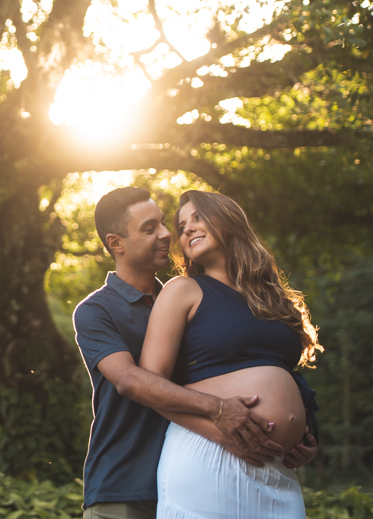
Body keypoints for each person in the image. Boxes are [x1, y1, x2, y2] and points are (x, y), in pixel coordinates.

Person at [73, 187, 314, 519]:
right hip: (128, 478)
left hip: (232, 460)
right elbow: (131, 381)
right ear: (116, 243)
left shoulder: (195, 297)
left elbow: (267, 366)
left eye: (164, 223)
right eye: (150, 228)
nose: (169, 234)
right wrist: (219, 414)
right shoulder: (98, 310)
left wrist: (303, 427)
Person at [140, 190, 321, 518]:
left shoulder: (274, 299)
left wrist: (306, 433)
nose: (188, 229)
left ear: (229, 220)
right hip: (210, 452)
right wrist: (221, 433)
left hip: (278, 468)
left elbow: (287, 378)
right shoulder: (183, 291)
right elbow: (150, 386)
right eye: (182, 227)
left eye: (198, 217)